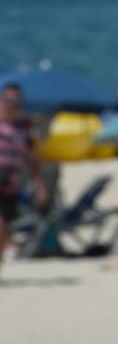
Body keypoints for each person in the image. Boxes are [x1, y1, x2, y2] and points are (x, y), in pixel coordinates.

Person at [0, 84, 48, 271]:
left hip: (11, 183)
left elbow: (32, 159)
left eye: (16, 100)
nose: (13, 104)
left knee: (6, 223)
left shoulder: (23, 127)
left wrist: (40, 186)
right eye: (10, 100)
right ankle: (7, 248)